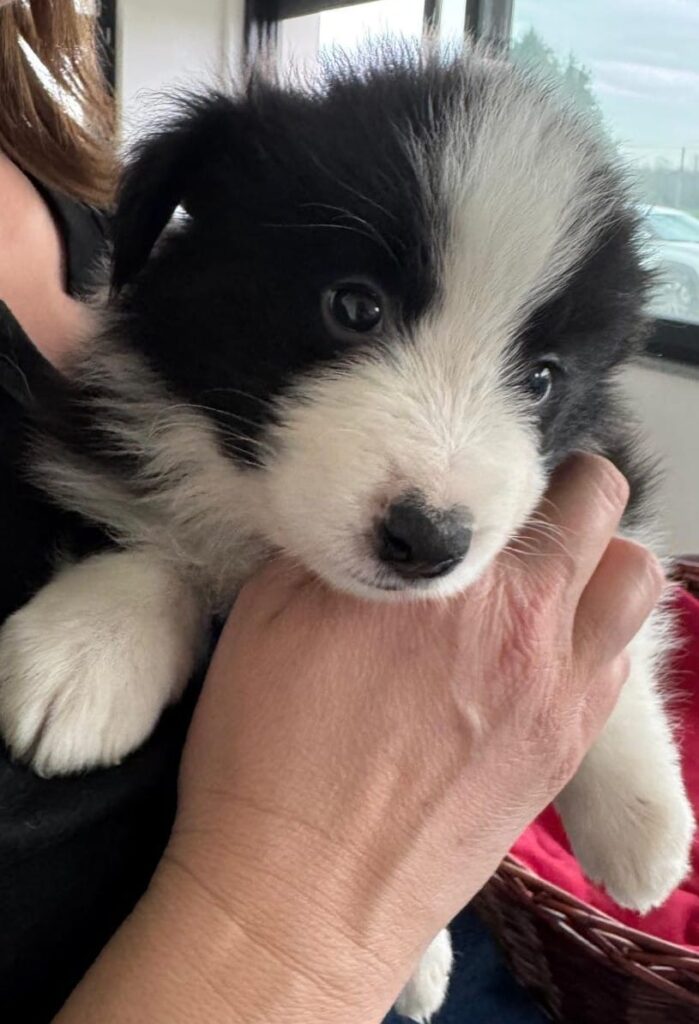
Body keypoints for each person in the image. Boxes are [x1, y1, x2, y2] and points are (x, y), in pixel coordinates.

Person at [0, 3, 664, 1021]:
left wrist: (607, 731)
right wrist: (153, 585)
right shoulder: (136, 422)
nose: (438, 490)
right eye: (358, 309)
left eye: (533, 376)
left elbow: (591, 572)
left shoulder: (54, 192)